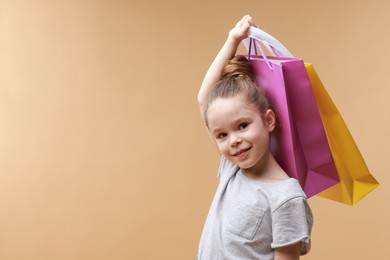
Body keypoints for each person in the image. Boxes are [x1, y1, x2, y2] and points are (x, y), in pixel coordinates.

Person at [197, 15, 313, 260]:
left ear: (269, 120)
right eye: (222, 135)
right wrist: (233, 39)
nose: (234, 140)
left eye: (242, 125)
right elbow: (205, 98)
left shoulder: (285, 197)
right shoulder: (232, 168)